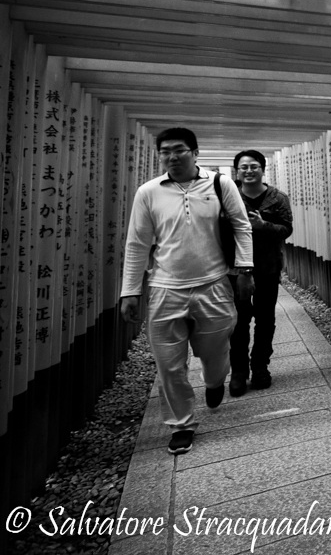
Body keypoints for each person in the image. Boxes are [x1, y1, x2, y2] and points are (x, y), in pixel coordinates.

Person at [120, 127, 254, 455]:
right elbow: (137, 243)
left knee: (215, 353)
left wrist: (245, 269)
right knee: (169, 364)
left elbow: (241, 225)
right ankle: (181, 424)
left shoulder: (221, 185)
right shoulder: (148, 192)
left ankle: (213, 381)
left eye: (179, 150)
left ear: (195, 152)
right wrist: (130, 291)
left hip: (214, 286)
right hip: (165, 289)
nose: (172, 157)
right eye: (165, 151)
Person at [228, 149, 293, 397]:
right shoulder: (228, 196)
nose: (248, 170)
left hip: (267, 267)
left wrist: (262, 225)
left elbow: (286, 229)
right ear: (237, 170)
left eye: (254, 166)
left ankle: (260, 367)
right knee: (238, 321)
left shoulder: (278, 198)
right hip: (236, 269)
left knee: (265, 319)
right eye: (243, 166)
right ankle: (238, 372)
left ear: (262, 169)